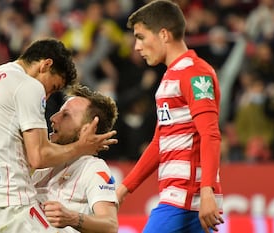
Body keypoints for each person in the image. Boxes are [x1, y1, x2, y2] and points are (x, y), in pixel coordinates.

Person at [0, 38, 118, 233]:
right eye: (52, 88)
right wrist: (81, 147)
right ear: (46, 65)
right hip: (10, 207)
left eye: (66, 114)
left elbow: (110, 225)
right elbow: (39, 156)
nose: (46, 98)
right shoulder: (28, 85)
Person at [115, 1, 224, 233]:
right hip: (181, 197)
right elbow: (160, 142)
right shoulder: (170, 77)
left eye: (141, 37)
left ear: (163, 35)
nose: (136, 46)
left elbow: (210, 134)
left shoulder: (196, 73)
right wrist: (124, 188)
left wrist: (207, 191)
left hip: (187, 198)